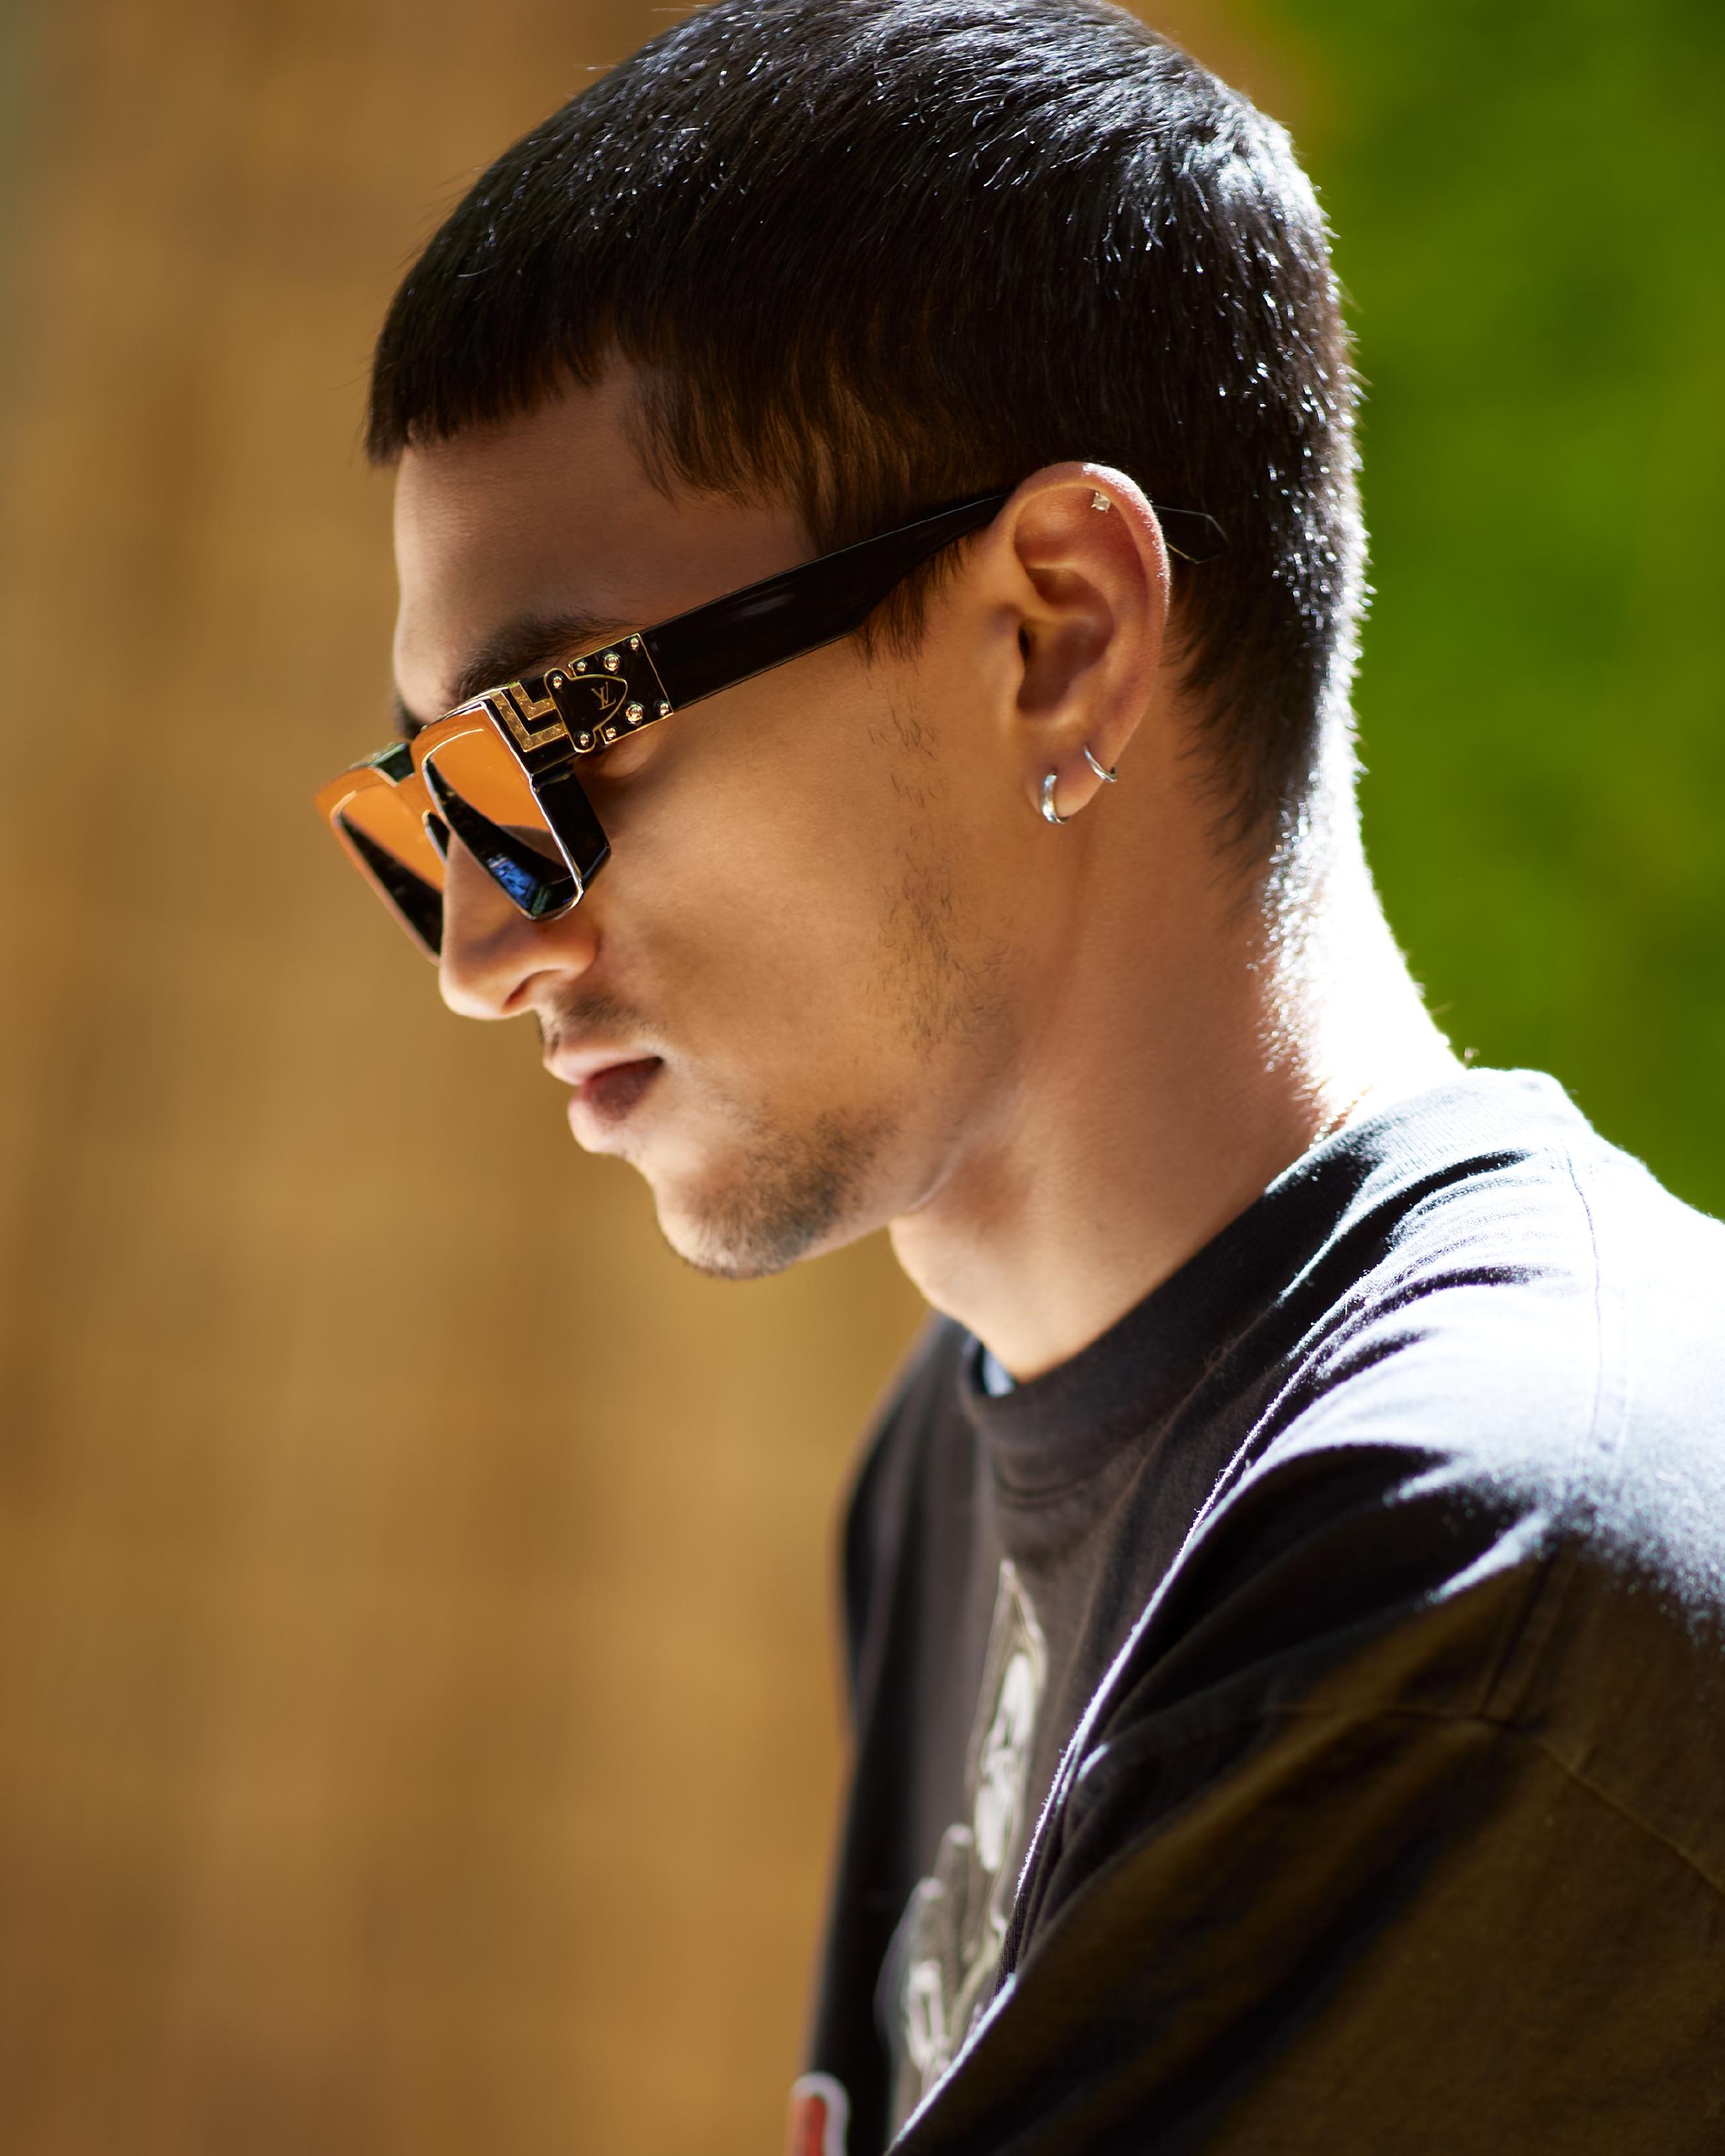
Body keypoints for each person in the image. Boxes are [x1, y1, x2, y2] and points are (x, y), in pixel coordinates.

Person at [313, 1, 1725, 2147]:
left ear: (1058, 630)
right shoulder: (956, 1455)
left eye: (554, 745)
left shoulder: (1479, 1563)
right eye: (436, 808)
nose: (482, 952)